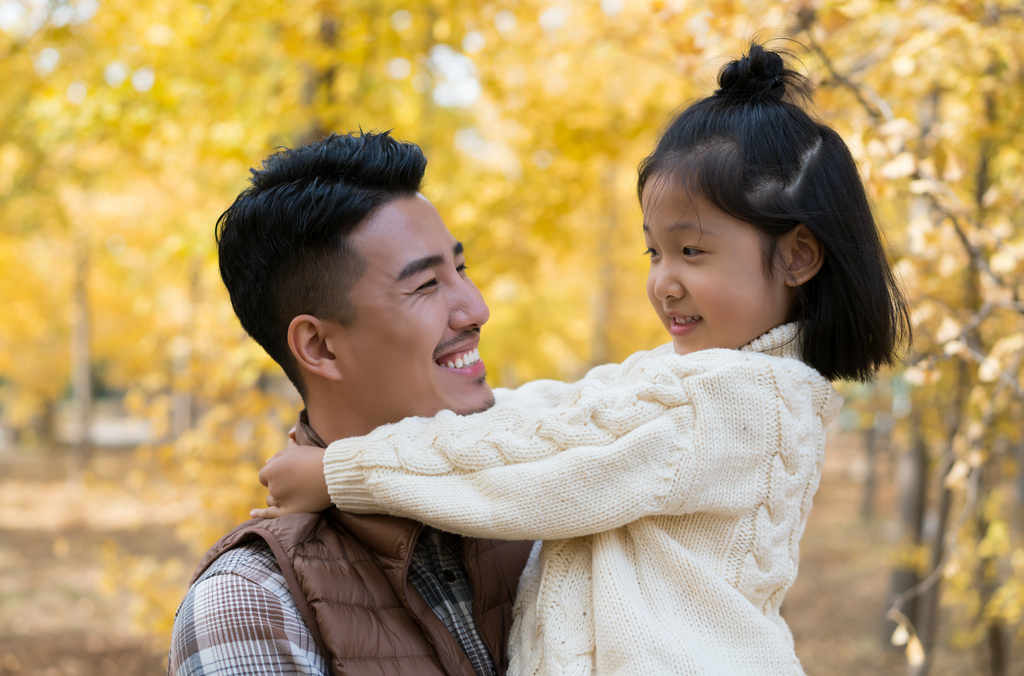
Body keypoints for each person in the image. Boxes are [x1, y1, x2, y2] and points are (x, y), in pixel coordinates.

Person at [253, 44, 910, 675]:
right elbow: (554, 415)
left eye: (693, 252)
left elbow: (548, 469)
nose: (664, 282)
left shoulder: (734, 401)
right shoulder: (692, 380)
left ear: (797, 256)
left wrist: (342, 473)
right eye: (654, 252)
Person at [167, 131, 533, 676]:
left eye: (461, 269)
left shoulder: (546, 503)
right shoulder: (254, 604)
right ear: (319, 347)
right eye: (427, 285)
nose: (475, 309)